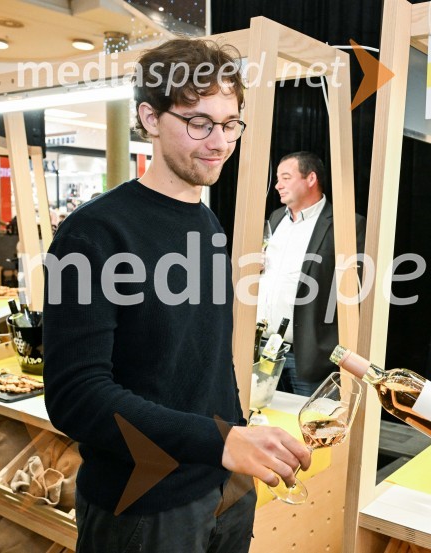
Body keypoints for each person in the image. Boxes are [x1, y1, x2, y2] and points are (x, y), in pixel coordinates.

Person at [43, 39, 310, 553]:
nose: (219, 141)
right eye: (198, 122)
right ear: (149, 116)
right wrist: (222, 440)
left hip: (225, 490)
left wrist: (236, 437)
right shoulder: (93, 234)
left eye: (230, 123)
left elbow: (203, 358)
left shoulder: (207, 222)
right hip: (143, 507)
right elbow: (76, 397)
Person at [257, 151, 366, 396]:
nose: (277, 185)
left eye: (285, 177)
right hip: (265, 349)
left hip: (311, 355)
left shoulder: (345, 224)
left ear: (311, 178)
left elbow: (358, 292)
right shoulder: (275, 219)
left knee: (311, 428)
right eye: (277, 178)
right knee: (266, 422)